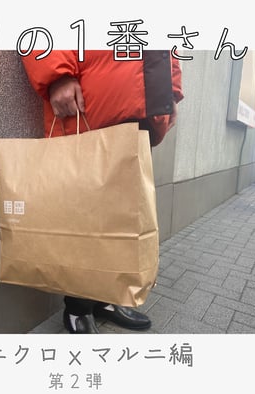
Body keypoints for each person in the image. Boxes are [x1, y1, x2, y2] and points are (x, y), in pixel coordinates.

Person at [21, 50, 184, 333]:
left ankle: (107, 297)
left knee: (123, 215)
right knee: (85, 212)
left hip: (144, 98)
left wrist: (170, 90)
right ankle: (78, 307)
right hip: (92, 94)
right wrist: (56, 73)